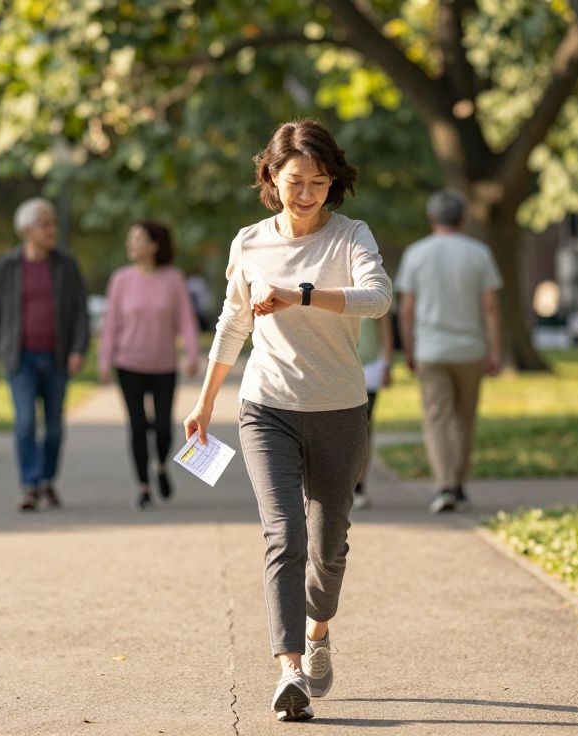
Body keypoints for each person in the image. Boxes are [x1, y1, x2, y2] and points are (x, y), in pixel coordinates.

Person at [184, 119, 391, 722]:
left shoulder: (351, 237)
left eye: (320, 182)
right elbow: (232, 324)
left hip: (339, 409)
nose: (307, 194)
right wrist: (204, 402)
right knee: (284, 536)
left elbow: (377, 299)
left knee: (328, 548)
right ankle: (289, 669)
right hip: (266, 407)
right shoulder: (248, 241)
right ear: (271, 177)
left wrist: (302, 294)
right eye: (295, 180)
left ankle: (319, 632)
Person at [395, 189, 502, 514]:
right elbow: (490, 307)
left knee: (437, 418)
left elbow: (406, 308)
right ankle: (458, 484)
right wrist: (494, 349)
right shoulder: (479, 253)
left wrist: (409, 348)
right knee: (464, 420)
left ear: (432, 219)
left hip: (430, 348)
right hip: (470, 348)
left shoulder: (416, 254)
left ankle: (443, 486)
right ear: (462, 218)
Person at [0, 197, 90, 512]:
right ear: (26, 230)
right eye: (45, 224)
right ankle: (30, 485)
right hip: (20, 358)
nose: (51, 229)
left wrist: (78, 349)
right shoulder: (6, 267)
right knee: (26, 422)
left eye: (53, 223)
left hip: (56, 358)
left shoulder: (66, 265)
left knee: (54, 426)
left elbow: (80, 311)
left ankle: (46, 481)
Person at [98, 219, 200, 510]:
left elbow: (186, 321)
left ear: (154, 245)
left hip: (164, 365)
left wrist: (192, 354)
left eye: (138, 239)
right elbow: (110, 325)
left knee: (164, 427)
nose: (131, 244)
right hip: (128, 363)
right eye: (130, 239)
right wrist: (105, 360)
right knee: (137, 426)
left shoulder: (173, 279)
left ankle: (161, 467)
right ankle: (143, 486)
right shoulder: (121, 279)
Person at [351, 312, 393, 510]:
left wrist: (386, 363)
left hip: (369, 369)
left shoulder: (370, 284)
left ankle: (359, 485)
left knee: (363, 427)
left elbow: (385, 330)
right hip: (338, 369)